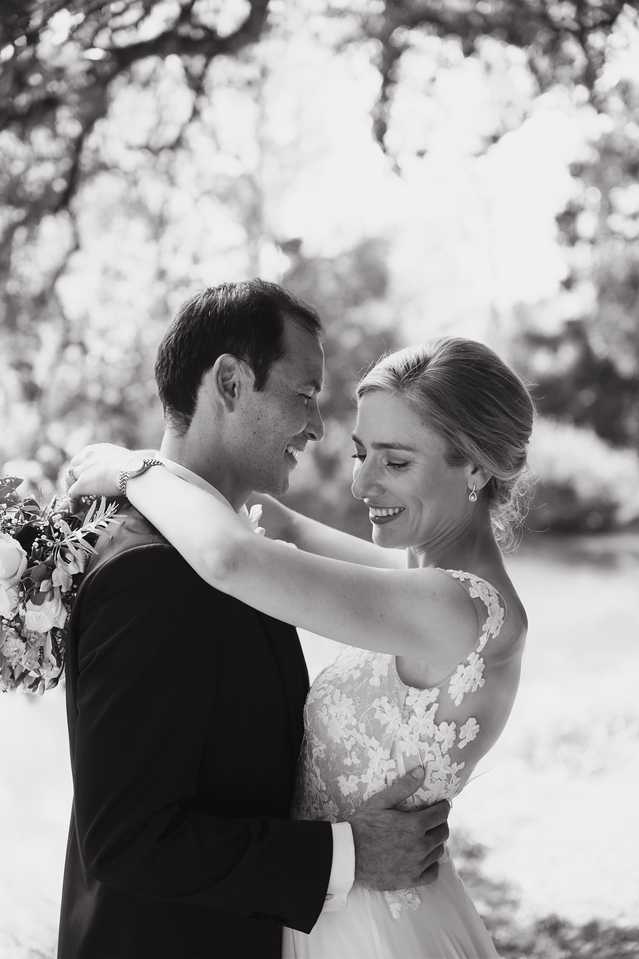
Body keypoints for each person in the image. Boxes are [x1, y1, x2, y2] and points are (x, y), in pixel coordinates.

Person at [68, 306, 533, 959]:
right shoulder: (423, 577)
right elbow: (276, 524)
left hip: (373, 927)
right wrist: (177, 464)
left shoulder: (450, 608)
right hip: (322, 909)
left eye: (395, 462)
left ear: (476, 468)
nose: (362, 482)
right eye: (360, 452)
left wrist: (133, 470)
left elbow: (235, 558)